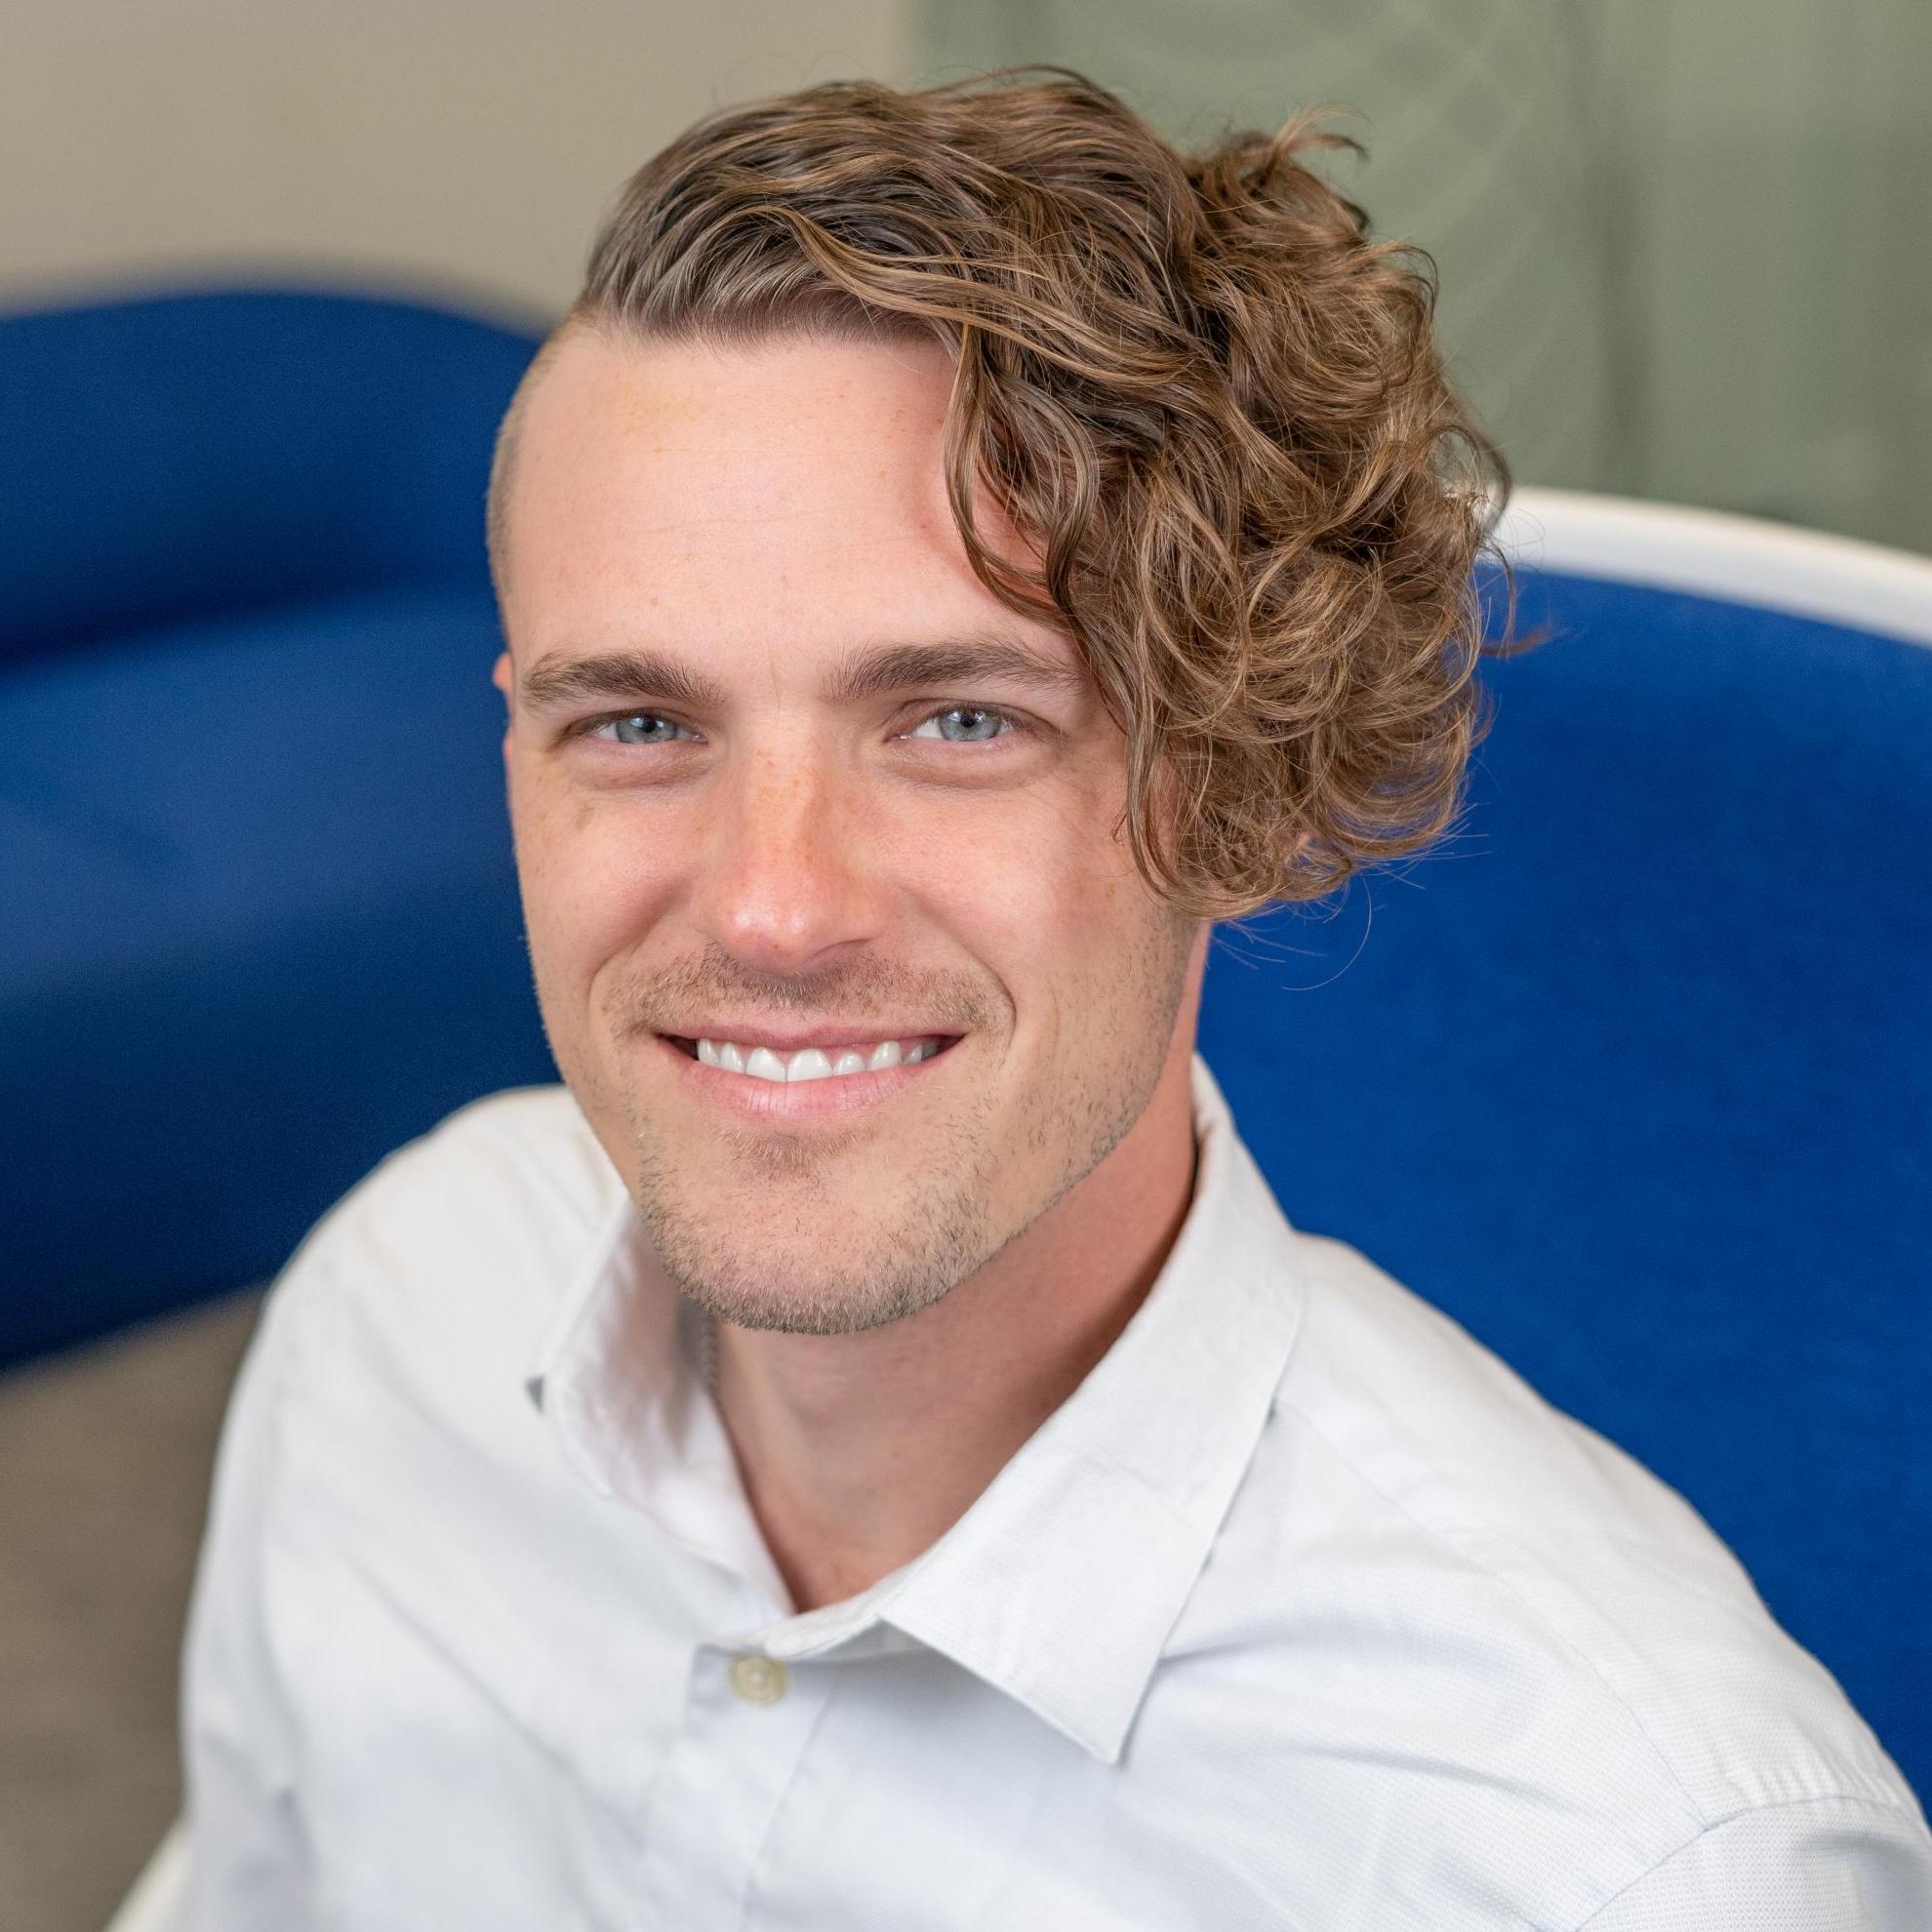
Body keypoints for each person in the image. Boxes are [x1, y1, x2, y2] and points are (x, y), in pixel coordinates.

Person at [176, 70, 1931, 1929]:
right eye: (640, 722)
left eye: (957, 722)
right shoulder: (395, 1318)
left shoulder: (1612, 1864)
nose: (772, 906)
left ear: (1236, 785)